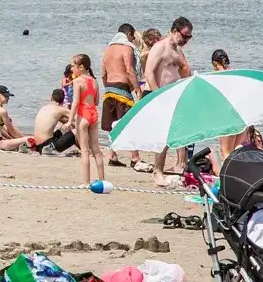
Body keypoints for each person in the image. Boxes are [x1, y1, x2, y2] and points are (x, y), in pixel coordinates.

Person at [141, 17, 194, 176]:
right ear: (174, 30)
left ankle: (177, 166)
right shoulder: (160, 47)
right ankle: (157, 172)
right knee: (162, 136)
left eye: (189, 37)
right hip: (158, 94)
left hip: (172, 96)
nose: (186, 40)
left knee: (176, 132)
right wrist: (158, 95)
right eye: (184, 36)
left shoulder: (177, 50)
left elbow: (185, 70)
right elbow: (149, 72)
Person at [100, 24, 140, 169]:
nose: (133, 39)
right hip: (122, 88)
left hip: (109, 88)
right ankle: (135, 157)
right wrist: (137, 89)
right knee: (130, 123)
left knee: (112, 125)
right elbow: (129, 70)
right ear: (128, 34)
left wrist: (107, 86)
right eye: (133, 36)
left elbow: (103, 74)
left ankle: (113, 155)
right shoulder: (126, 48)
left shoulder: (108, 49)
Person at [69, 55, 105, 185]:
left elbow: (76, 102)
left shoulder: (78, 81)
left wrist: (69, 120)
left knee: (84, 150)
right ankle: (102, 180)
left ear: (81, 67)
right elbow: (96, 102)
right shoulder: (94, 81)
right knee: (97, 150)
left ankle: (85, 182)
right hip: (93, 115)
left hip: (83, 115)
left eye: (73, 66)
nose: (71, 69)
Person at [31, 88, 75, 156]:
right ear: (63, 101)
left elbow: (64, 122)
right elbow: (80, 119)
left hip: (37, 146)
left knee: (65, 129)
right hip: (47, 146)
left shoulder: (44, 108)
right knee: (76, 131)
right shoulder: (61, 109)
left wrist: (70, 123)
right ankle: (86, 150)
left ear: (51, 98)